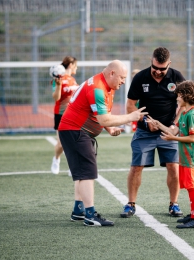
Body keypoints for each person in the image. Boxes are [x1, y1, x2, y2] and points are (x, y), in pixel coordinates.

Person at [58, 60, 148, 227]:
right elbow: (103, 118)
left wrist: (108, 128)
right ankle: (90, 215)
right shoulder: (98, 88)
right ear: (111, 73)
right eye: (121, 77)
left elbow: (99, 114)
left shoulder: (105, 85)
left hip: (76, 130)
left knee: (82, 172)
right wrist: (130, 117)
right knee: (87, 173)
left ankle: (79, 210)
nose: (123, 81)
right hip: (76, 130)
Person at [120, 46, 186, 218]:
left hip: (168, 133)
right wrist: (145, 121)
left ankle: (174, 204)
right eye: (154, 67)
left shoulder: (177, 77)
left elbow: (184, 104)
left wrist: (174, 125)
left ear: (169, 64)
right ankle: (130, 204)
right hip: (144, 132)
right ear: (151, 61)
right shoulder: (140, 77)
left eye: (162, 69)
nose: (157, 72)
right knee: (136, 168)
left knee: (174, 167)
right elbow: (130, 106)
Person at [146, 80, 194, 228]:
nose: (176, 98)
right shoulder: (184, 113)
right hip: (183, 157)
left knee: (192, 187)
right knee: (189, 186)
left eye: (178, 96)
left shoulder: (192, 115)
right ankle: (192, 214)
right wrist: (159, 124)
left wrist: (173, 138)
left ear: (186, 96)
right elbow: (173, 131)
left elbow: (192, 138)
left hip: (190, 158)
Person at [50, 56, 79, 176]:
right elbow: (56, 98)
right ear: (71, 65)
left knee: (75, 141)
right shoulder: (58, 78)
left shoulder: (73, 80)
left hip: (73, 114)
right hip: (60, 114)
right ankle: (56, 159)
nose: (76, 68)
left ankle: (72, 167)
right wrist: (58, 86)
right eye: (76, 66)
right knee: (61, 144)